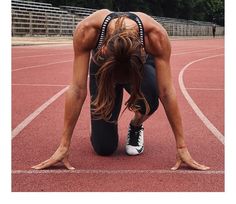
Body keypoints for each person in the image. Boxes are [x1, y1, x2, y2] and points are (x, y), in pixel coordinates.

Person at [32, 9, 210, 171]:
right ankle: (103, 123)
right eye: (118, 80)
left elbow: (166, 91)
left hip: (136, 67)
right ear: (102, 50)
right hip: (103, 69)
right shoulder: (87, 30)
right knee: (104, 148)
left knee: (150, 98)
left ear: (142, 51)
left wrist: (181, 147)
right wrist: (64, 146)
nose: (120, 84)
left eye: (124, 80)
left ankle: (136, 125)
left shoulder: (155, 36)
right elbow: (77, 90)